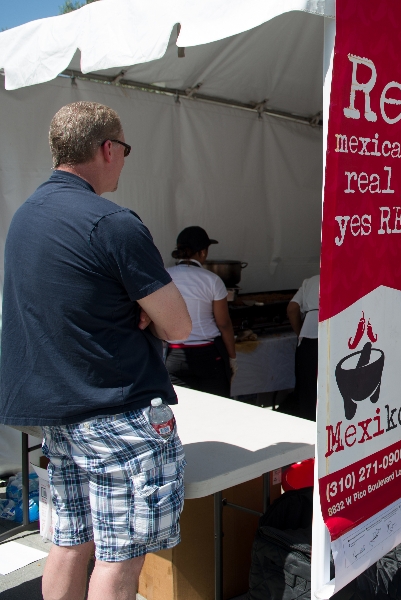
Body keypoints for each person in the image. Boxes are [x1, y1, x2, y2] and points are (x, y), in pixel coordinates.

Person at [0, 102, 192, 600]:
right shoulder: (113, 223)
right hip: (116, 413)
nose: (123, 160)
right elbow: (178, 324)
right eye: (124, 150)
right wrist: (144, 309)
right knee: (118, 560)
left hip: (59, 416)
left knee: (69, 544)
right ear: (108, 148)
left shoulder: (25, 217)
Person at [166, 226, 237, 398]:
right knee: (215, 408)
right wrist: (232, 357)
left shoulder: (164, 276)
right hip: (208, 355)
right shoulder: (212, 280)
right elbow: (224, 323)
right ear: (203, 252)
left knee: (182, 409)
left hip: (173, 355)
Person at [286, 274, 320, 421]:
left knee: (307, 391)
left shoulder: (311, 281)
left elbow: (292, 309)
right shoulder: (351, 278)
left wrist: (301, 333)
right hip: (337, 337)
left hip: (308, 339)